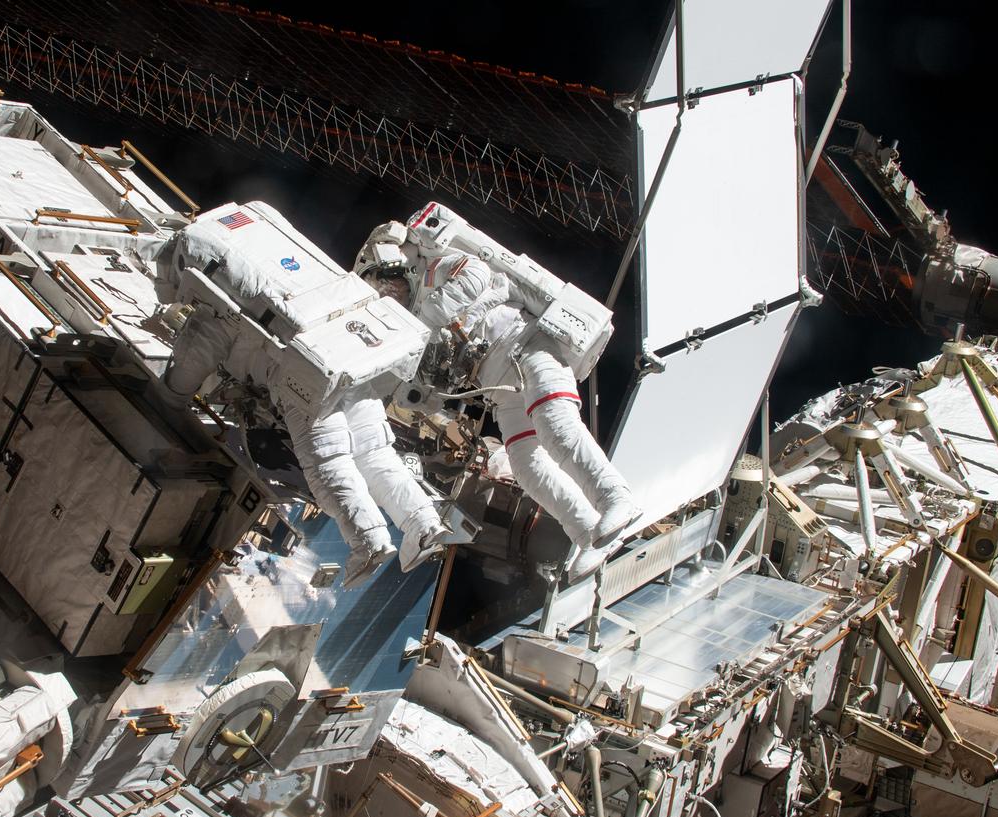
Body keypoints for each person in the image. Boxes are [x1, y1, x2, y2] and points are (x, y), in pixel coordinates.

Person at [162, 204, 449, 589]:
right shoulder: (258, 237)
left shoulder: (215, 283)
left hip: (307, 375)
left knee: (329, 462)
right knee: (376, 453)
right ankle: (425, 525)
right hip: (357, 356)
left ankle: (369, 541)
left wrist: (170, 398)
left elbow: (189, 365)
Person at [355, 204, 640, 575]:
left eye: (385, 284)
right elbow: (436, 384)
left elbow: (476, 276)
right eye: (380, 293)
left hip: (528, 346)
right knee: (526, 466)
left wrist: (430, 320)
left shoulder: (431, 269)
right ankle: (589, 532)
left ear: (393, 269)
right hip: (500, 387)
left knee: (557, 428)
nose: (388, 294)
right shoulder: (413, 323)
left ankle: (617, 499)